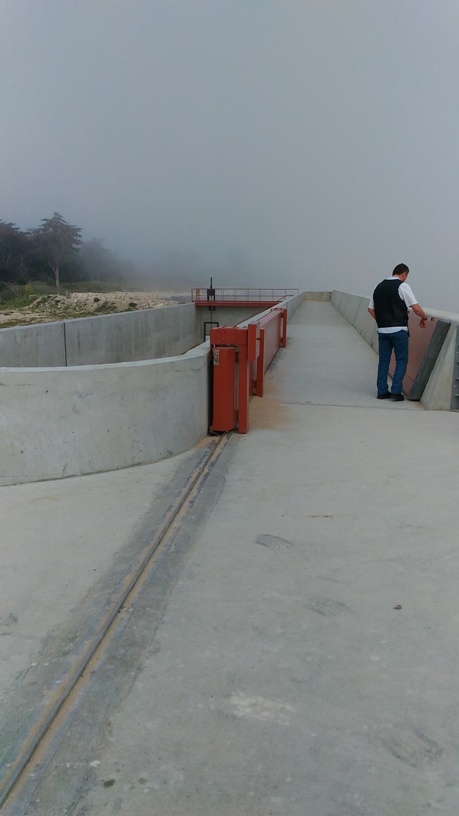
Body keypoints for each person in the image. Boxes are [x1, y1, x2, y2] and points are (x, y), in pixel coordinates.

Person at [368, 263, 428, 401]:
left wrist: (382, 321)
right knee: (401, 360)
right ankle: (396, 392)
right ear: (404, 274)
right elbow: (416, 308)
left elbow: (370, 309)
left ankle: (382, 392)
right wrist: (424, 317)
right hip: (399, 330)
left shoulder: (378, 286)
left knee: (383, 361)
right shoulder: (402, 286)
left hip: (383, 330)